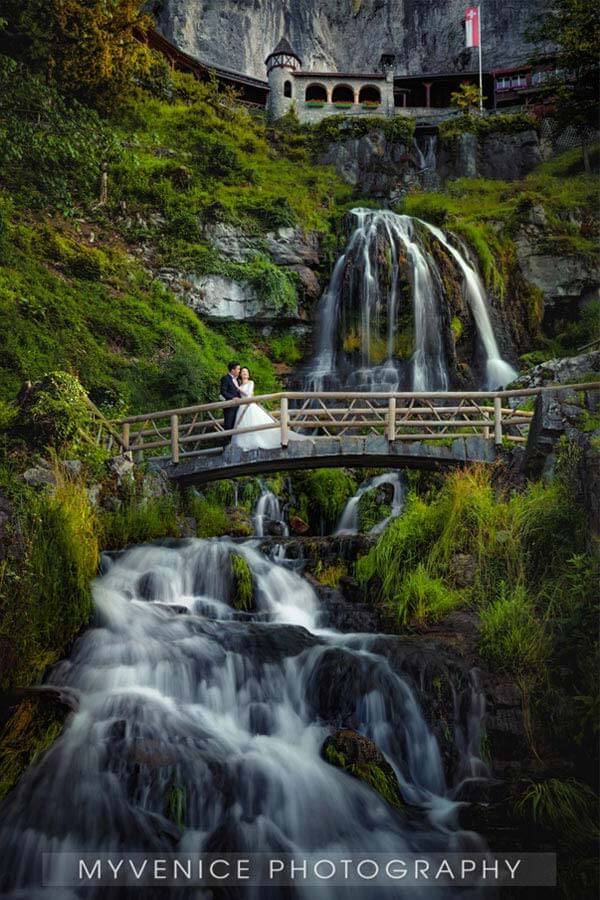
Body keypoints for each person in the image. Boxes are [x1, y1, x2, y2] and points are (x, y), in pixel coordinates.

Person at [231, 367, 311, 450]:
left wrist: (238, 388)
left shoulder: (251, 382)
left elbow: (249, 395)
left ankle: (259, 441)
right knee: (243, 425)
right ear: (240, 374)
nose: (245, 373)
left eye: (246, 372)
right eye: (243, 372)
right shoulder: (240, 385)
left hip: (250, 406)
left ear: (248, 375)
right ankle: (243, 444)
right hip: (242, 407)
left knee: (255, 423)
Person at [219, 361, 243, 442]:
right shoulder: (225, 378)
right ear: (233, 370)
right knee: (228, 426)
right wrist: (232, 398)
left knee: (236, 425)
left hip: (238, 407)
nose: (239, 371)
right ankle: (226, 446)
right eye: (238, 369)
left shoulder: (238, 380)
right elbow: (223, 391)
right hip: (229, 407)